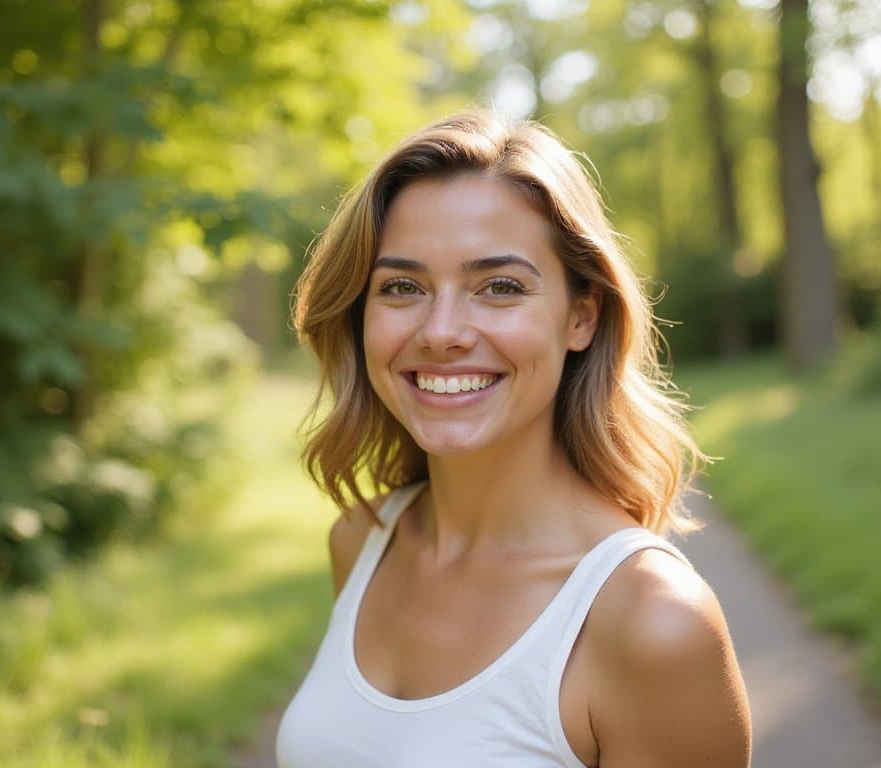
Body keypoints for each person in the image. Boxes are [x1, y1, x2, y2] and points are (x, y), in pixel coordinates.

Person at [277, 111, 751, 767]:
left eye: (499, 287)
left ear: (580, 316)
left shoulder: (651, 623)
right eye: (402, 287)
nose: (442, 331)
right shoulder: (361, 541)